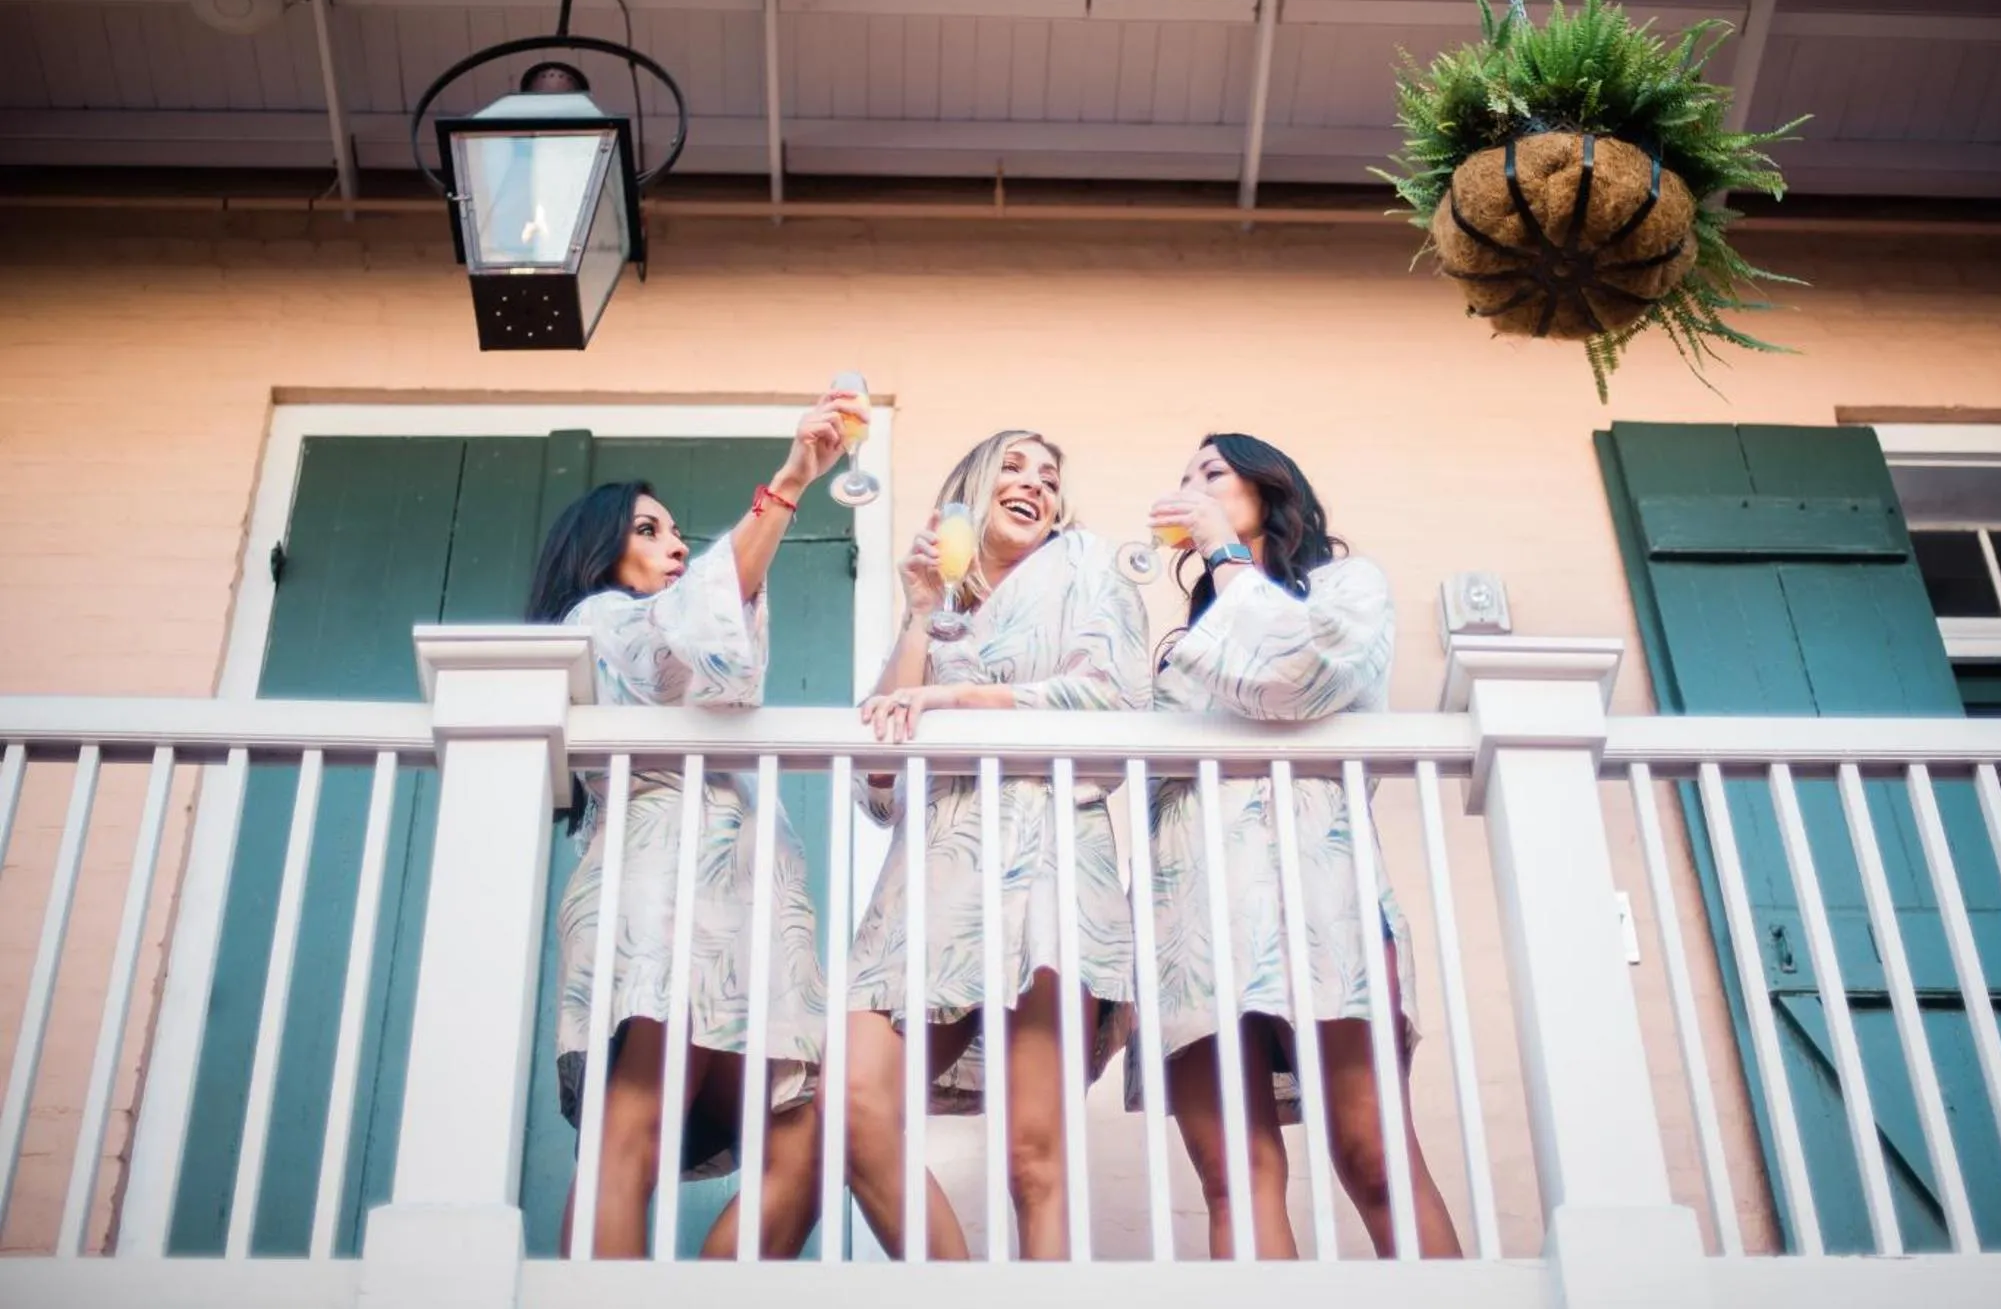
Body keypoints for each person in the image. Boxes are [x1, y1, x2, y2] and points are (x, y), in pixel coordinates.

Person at [525, 387, 862, 1260]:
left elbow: (717, 647)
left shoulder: (659, 618)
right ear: (598, 550)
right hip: (659, 877)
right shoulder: (599, 621)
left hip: (744, 900)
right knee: (633, 1125)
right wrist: (790, 480)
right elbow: (698, 623)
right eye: (649, 529)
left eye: (676, 530)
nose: (675, 544)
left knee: (812, 1138)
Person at [1138, 433, 1462, 1260]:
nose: (1192, 488)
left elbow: (1297, 680)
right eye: (1183, 479)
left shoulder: (1345, 587)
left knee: (1374, 1155)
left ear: (1268, 484)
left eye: (1211, 473)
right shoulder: (1185, 643)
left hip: (1317, 891)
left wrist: (1217, 546)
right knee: (1233, 1177)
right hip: (1192, 907)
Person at [838, 430, 1148, 1259]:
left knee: (1032, 1155)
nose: (1034, 484)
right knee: (851, 1101)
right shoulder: (942, 610)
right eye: (1012, 467)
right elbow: (880, 782)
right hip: (932, 877)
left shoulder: (1085, 569)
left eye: (1049, 477)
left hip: (1047, 865)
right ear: (970, 491)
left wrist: (960, 697)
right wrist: (918, 614)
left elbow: (1114, 700)